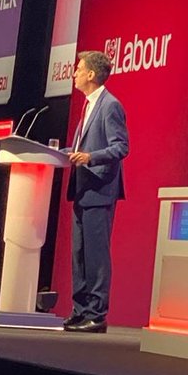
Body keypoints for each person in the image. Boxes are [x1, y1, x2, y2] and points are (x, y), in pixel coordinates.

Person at [65, 50, 129, 334]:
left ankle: (97, 314)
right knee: (79, 254)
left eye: (79, 69)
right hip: (82, 189)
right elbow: (81, 148)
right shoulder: (88, 106)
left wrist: (90, 157)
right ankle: (80, 311)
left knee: (96, 256)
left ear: (91, 74)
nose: (74, 73)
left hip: (99, 190)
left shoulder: (109, 105)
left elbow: (121, 147)